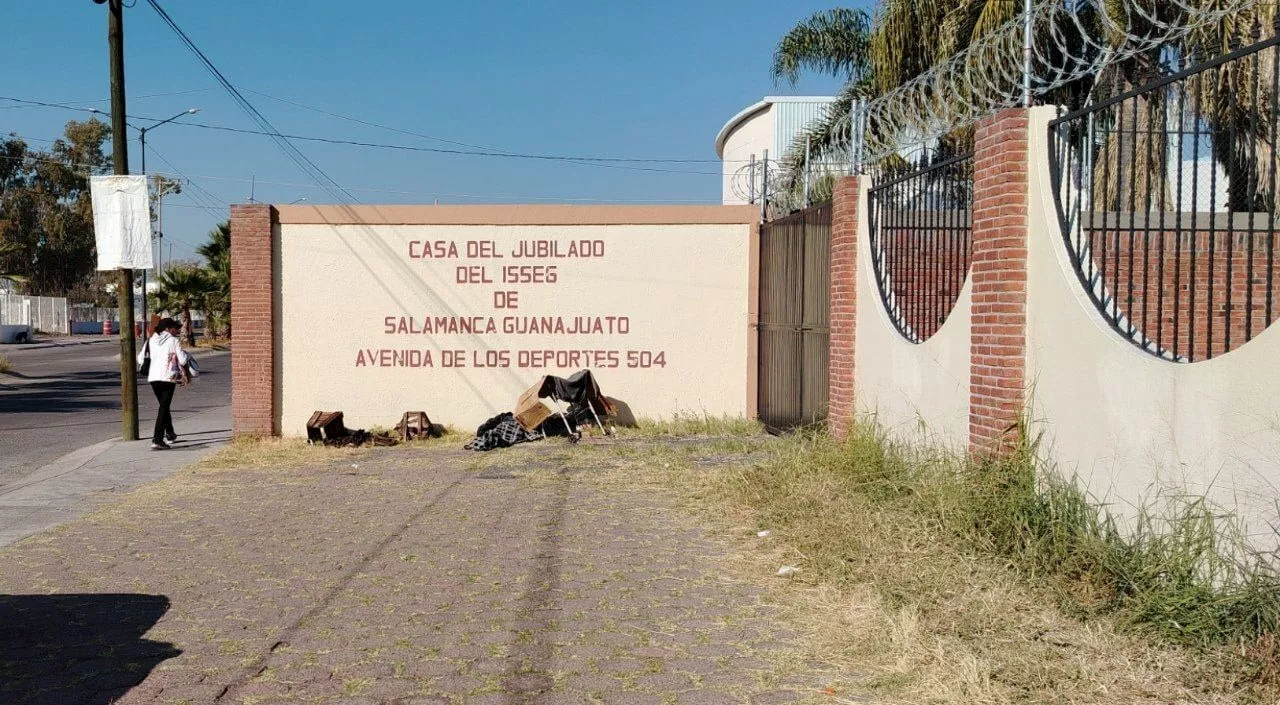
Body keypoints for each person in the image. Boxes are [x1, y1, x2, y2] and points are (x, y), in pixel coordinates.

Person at [137, 318, 190, 450]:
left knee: (164, 406)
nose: (176, 331)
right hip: (168, 378)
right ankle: (157, 439)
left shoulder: (150, 340)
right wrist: (187, 356)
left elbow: (140, 359)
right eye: (174, 328)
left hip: (153, 378)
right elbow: (183, 360)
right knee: (163, 407)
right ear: (168, 329)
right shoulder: (173, 341)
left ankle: (170, 433)